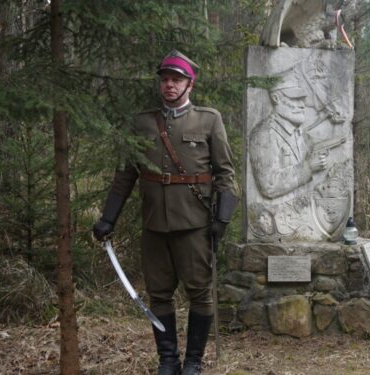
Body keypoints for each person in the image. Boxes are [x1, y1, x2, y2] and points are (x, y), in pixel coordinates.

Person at [92, 50, 238, 375]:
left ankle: (193, 363)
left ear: (190, 83)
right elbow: (124, 175)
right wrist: (107, 218)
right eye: (165, 79)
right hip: (154, 225)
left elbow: (225, 173)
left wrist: (221, 221)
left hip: (194, 225)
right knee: (158, 294)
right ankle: (168, 361)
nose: (169, 85)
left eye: (176, 79)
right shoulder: (141, 123)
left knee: (200, 293)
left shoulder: (208, 120)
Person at [249, 73, 328, 199]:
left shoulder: (303, 136)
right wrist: (309, 167)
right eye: (295, 99)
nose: (302, 105)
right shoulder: (264, 134)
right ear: (276, 98)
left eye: (302, 99)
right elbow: (269, 185)